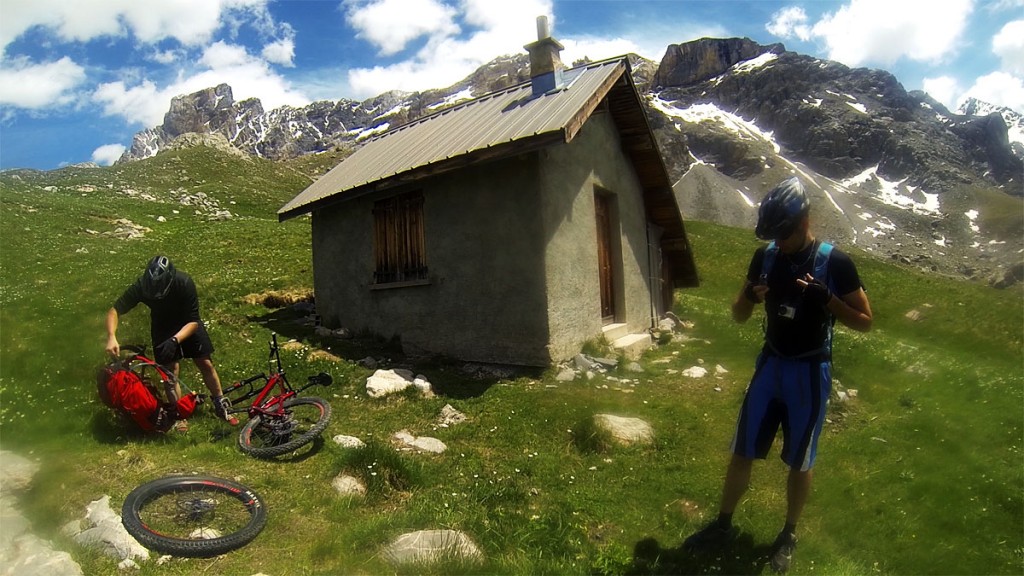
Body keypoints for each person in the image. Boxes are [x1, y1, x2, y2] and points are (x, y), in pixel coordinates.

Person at [683, 177, 872, 573]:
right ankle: (723, 525)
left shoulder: (835, 263)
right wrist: (748, 298)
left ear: (805, 220)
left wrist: (828, 300)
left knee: (801, 461)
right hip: (770, 366)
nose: (779, 242)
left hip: (809, 371)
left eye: (783, 233)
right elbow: (737, 314)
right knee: (742, 450)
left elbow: (865, 322)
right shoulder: (765, 258)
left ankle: (788, 534)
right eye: (773, 235)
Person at [105, 255, 238, 429]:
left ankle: (221, 403)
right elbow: (115, 310)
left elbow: (193, 322)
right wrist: (111, 336)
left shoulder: (184, 283)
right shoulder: (141, 286)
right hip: (162, 325)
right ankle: (178, 414)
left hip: (187, 322)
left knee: (204, 362)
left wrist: (175, 340)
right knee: (169, 372)